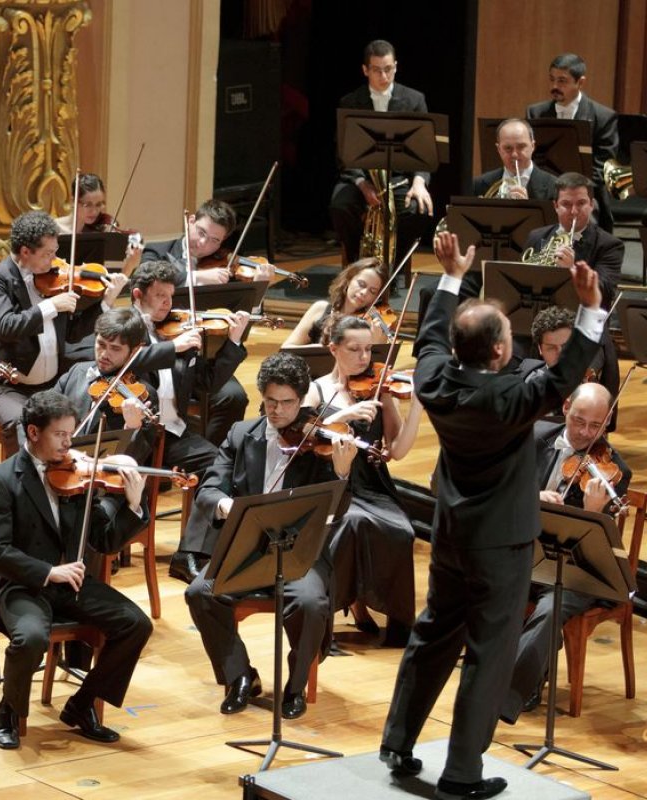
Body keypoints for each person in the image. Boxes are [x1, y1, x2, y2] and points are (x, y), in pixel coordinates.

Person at [378, 230, 605, 800]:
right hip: (501, 544)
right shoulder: (510, 398)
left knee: (433, 634)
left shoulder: (434, 380)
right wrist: (592, 309)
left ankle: (398, 742)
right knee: (488, 652)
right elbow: (564, 375)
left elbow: (429, 339)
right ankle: (461, 774)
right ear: (501, 352)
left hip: (451, 532)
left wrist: (450, 276)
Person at [0, 389, 152, 749]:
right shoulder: (2, 479)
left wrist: (132, 506)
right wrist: (47, 571)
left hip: (71, 583)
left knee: (135, 624)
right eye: (60, 434)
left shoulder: (77, 474)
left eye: (71, 434)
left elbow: (104, 540)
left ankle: (81, 705)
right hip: (21, 586)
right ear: (33, 433)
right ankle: (9, 710)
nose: (68, 443)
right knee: (31, 638)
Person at [184, 352, 354, 718]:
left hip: (298, 554)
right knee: (200, 592)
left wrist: (341, 476)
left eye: (287, 403)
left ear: (302, 400)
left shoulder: (320, 441)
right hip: (248, 548)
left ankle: (294, 687)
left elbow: (334, 514)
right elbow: (209, 488)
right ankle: (240, 675)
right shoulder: (241, 435)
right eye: (270, 401)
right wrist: (226, 504)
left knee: (310, 603)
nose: (277, 411)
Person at [500, 382, 630, 724]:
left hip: (575, 572)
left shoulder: (614, 469)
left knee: (552, 604)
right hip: (525, 552)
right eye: (578, 421)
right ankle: (526, 667)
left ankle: (509, 694)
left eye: (596, 425)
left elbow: (602, 546)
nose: (586, 433)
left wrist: (594, 512)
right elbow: (500, 484)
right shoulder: (534, 434)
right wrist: (533, 496)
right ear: (567, 407)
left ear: (608, 420)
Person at [128, 260, 254, 581]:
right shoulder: (124, 327)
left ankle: (192, 552)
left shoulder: (178, 330)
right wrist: (173, 348)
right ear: (138, 295)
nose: (168, 304)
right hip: (137, 435)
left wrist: (234, 341)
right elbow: (123, 361)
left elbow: (208, 385)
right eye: (159, 296)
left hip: (174, 433)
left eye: (171, 296)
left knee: (223, 467)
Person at [306, 314, 423, 647]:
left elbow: (397, 450)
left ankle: (388, 617)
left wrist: (417, 406)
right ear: (334, 349)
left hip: (371, 482)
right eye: (354, 349)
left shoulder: (379, 388)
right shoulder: (317, 390)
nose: (363, 358)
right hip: (332, 482)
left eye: (369, 350)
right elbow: (303, 436)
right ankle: (330, 615)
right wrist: (344, 415)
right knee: (350, 524)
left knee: (402, 531)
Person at [0, 210, 126, 455]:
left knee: (90, 414)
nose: (55, 259)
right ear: (25, 252)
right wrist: (50, 306)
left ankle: (73, 485)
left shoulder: (53, 280)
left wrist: (106, 301)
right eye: (48, 253)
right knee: (21, 423)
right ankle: (22, 488)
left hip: (52, 386)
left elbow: (73, 333)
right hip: (6, 387)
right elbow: (6, 326)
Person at [522, 172, 621, 426]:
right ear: (555, 206)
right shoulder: (537, 237)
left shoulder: (608, 244)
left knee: (582, 370)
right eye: (566, 204)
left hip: (584, 330)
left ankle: (580, 427)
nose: (574, 211)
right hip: (539, 326)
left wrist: (573, 267)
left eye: (580, 204)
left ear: (591, 204)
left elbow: (606, 290)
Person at [329, 40, 434, 266]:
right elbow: (342, 152)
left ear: (395, 66)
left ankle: (393, 266)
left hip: (398, 179)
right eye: (377, 70)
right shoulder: (349, 102)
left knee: (419, 210)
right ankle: (359, 263)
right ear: (365, 70)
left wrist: (419, 182)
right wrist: (361, 183)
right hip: (362, 178)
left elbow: (424, 150)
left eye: (388, 69)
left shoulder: (415, 100)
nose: (384, 76)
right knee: (340, 206)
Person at [526, 53, 619, 232]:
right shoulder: (535, 113)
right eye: (552, 79)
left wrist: (570, 188)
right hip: (545, 190)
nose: (554, 86)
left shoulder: (603, 117)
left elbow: (604, 167)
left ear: (580, 83)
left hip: (585, 192)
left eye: (562, 81)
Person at [52, 307, 154, 462]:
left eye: (115, 348)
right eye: (101, 344)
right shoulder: (77, 372)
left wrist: (132, 427)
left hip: (102, 478)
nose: (104, 354)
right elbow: (42, 413)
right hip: (60, 461)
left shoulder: (144, 395)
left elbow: (135, 460)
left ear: (134, 351)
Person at [140, 199, 265, 286]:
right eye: (201, 232)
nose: (203, 243)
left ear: (223, 240)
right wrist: (198, 277)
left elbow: (246, 311)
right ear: (191, 221)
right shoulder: (156, 251)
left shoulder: (226, 269)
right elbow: (147, 281)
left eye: (215, 240)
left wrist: (260, 284)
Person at [282, 257, 390, 347]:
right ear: (349, 280)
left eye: (372, 291)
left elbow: (377, 367)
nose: (364, 292)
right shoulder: (320, 308)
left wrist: (375, 341)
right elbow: (287, 348)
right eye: (361, 284)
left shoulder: (373, 326)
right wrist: (317, 348)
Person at [53, 172, 144, 271]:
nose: (95, 211)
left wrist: (132, 260)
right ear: (73, 201)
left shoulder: (105, 228)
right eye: (88, 205)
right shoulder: (55, 228)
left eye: (99, 204)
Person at [470, 119, 557, 201]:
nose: (514, 154)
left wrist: (529, 207)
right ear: (499, 149)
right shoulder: (478, 185)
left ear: (532, 146)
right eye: (508, 148)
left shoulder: (554, 186)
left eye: (521, 147)